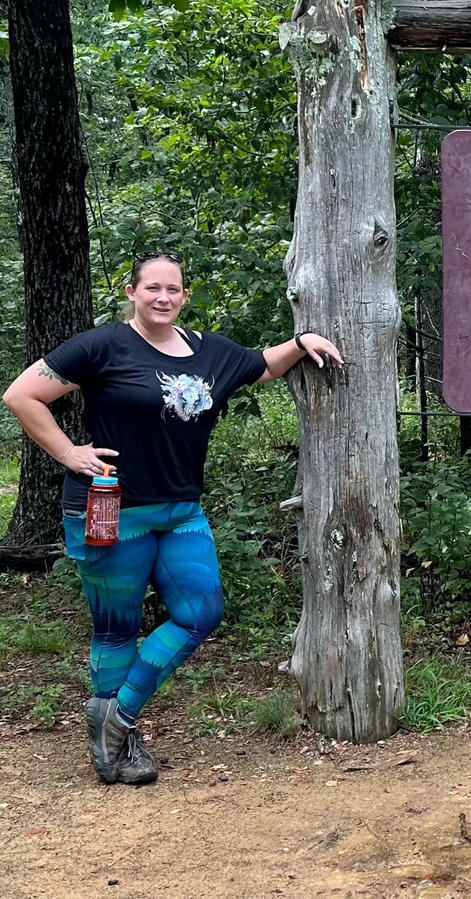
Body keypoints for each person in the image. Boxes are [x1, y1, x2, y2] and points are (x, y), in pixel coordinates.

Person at [2, 251, 343, 786]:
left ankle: (116, 716)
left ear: (184, 296)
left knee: (201, 612)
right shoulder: (103, 345)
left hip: (181, 508)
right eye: (152, 288)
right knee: (116, 628)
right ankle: (117, 742)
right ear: (133, 293)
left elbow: (262, 364)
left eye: (173, 289)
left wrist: (301, 344)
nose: (163, 297)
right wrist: (69, 453)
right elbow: (22, 395)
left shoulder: (210, 352)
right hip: (111, 508)